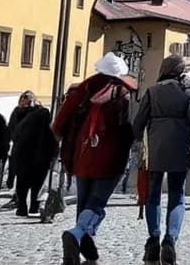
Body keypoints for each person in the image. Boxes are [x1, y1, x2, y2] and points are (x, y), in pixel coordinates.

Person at [54, 53, 138, 265]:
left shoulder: (83, 88)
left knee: (84, 201)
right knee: (97, 202)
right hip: (110, 156)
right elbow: (128, 129)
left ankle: (84, 251)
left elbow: (59, 123)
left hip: (81, 154)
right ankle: (76, 234)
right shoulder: (121, 93)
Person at [131, 54, 190, 265]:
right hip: (180, 148)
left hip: (155, 149)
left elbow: (137, 124)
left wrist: (140, 142)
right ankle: (170, 240)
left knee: (153, 196)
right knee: (176, 195)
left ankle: (153, 239)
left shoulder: (152, 92)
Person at [10, 96, 57, 217]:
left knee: (22, 184)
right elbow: (53, 144)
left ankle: (22, 207)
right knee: (37, 184)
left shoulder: (25, 125)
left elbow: (15, 137)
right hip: (40, 160)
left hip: (23, 159)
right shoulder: (47, 128)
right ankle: (33, 207)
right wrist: (52, 157)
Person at [3, 90, 36, 201]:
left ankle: (18, 197)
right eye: (23, 99)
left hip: (28, 147)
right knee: (14, 169)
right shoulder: (17, 111)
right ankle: (14, 191)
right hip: (16, 145)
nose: (24, 101)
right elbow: (11, 126)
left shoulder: (34, 112)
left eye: (27, 99)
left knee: (24, 173)